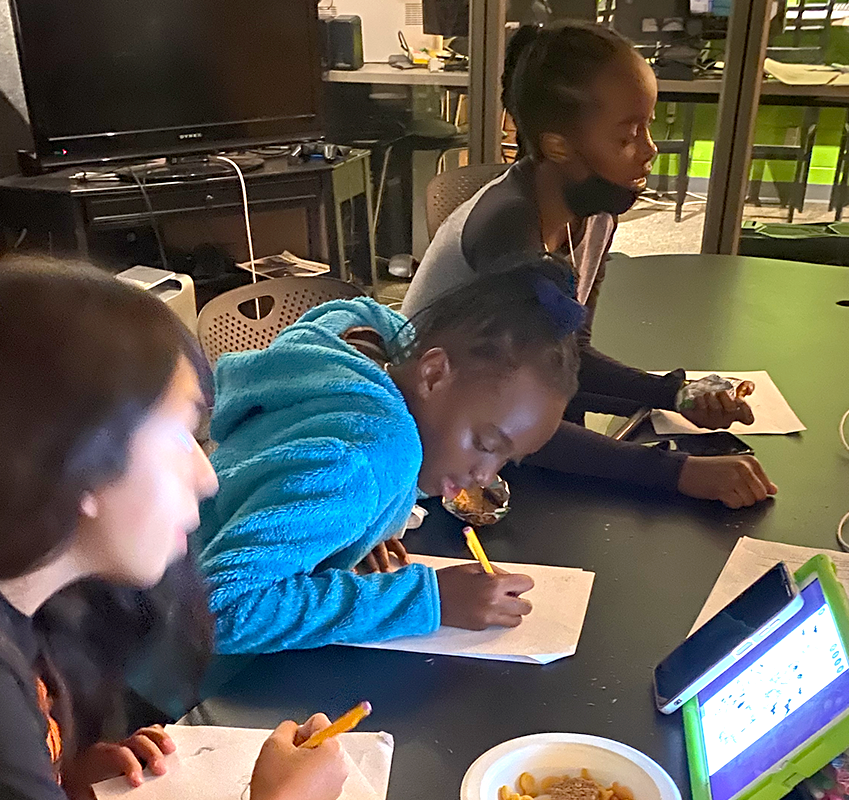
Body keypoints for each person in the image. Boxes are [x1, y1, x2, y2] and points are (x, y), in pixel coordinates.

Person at [0, 258, 348, 800]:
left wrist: (63, 775)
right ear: (76, 451)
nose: (207, 477)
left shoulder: (33, 620)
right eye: (183, 433)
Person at [401, 21, 777, 511]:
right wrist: (678, 472)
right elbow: (510, 417)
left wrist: (675, 394)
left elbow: (568, 361)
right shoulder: (508, 233)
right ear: (558, 145)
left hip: (483, 455)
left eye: (649, 126)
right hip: (431, 469)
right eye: (627, 135)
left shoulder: (592, 215)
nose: (649, 150)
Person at [193, 261, 584, 654]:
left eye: (507, 461)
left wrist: (350, 526)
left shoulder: (358, 362)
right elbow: (220, 610)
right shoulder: (366, 457)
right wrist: (426, 601)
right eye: (484, 444)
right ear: (433, 374)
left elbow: (285, 478)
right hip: (185, 677)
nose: (485, 476)